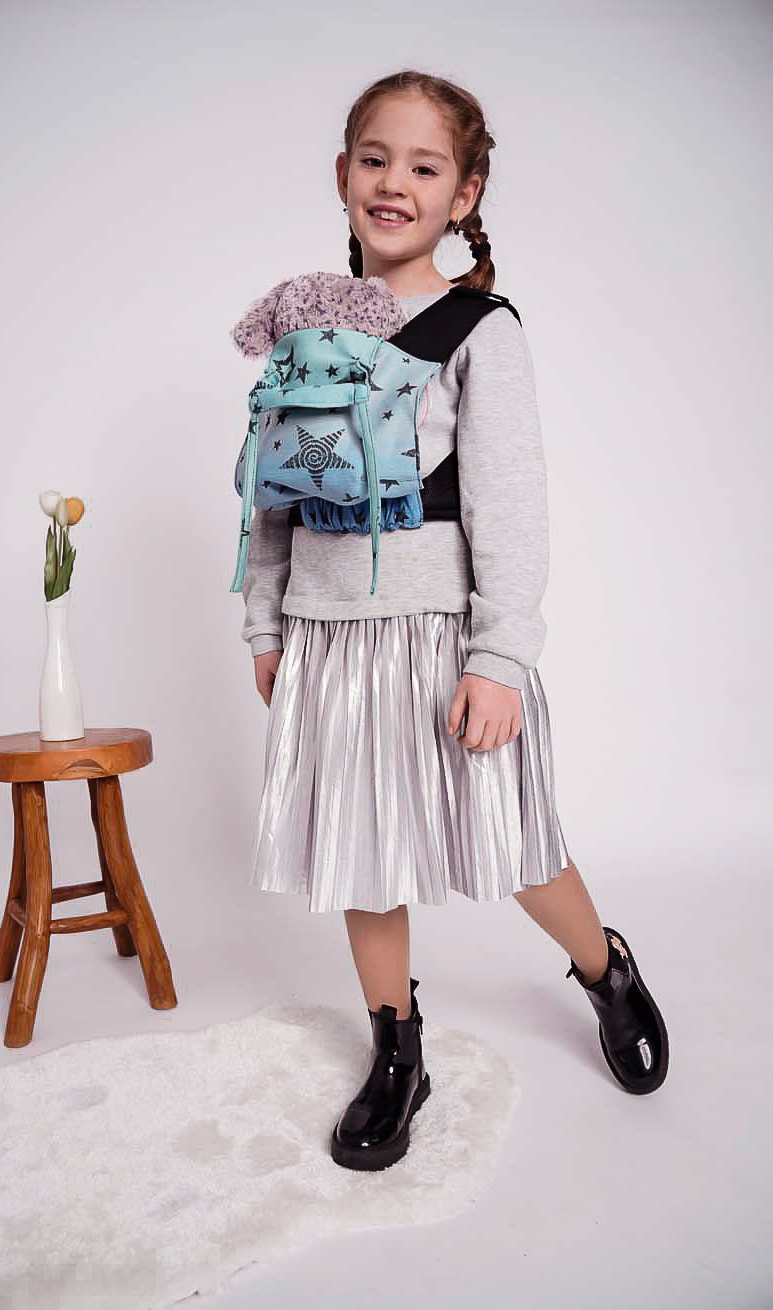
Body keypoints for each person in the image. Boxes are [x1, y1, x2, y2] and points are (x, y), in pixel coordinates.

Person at [235, 69, 669, 1172]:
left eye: (424, 168)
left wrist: (499, 654)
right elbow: (269, 492)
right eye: (375, 159)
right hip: (330, 637)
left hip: (439, 637)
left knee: (512, 838)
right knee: (363, 851)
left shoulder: (480, 331)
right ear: (343, 174)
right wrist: (267, 626)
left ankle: (603, 967)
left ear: (463, 194)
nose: (395, 183)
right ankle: (398, 1049)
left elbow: (510, 507)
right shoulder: (306, 327)